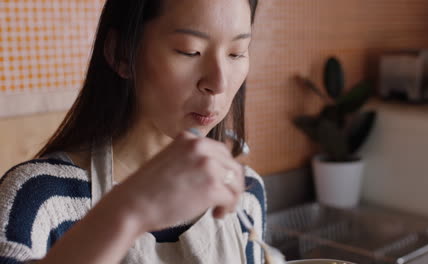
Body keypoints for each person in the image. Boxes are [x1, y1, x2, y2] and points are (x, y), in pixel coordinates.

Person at [0, 0, 265, 263]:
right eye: (190, 51)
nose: (218, 82)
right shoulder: (40, 198)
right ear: (121, 53)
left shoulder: (245, 195)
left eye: (236, 52)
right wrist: (129, 210)